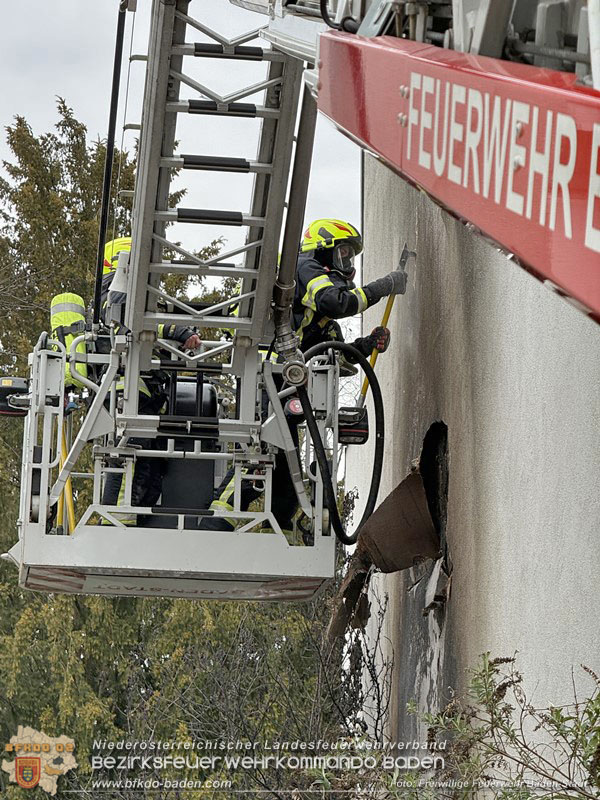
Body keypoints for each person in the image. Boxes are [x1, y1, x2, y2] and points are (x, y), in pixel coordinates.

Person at [201, 219, 405, 536]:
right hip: (267, 381)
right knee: (261, 458)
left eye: (351, 256)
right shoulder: (305, 267)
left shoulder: (316, 321)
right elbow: (335, 302)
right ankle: (213, 524)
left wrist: (368, 344)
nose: (348, 263)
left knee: (286, 484)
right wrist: (383, 286)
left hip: (284, 385)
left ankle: (274, 539)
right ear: (322, 251)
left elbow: (334, 355)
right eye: (344, 253)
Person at [100, 237, 201, 524]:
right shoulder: (116, 292)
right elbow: (136, 323)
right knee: (132, 449)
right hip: (129, 387)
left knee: (150, 461)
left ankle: (133, 517)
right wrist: (179, 332)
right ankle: (116, 518)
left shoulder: (134, 294)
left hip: (144, 389)